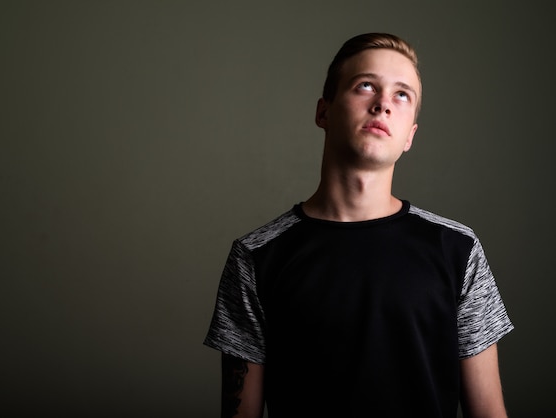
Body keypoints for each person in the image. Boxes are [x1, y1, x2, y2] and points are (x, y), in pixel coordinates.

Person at [204, 33, 513, 418]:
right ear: (323, 112)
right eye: (365, 85)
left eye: (403, 95)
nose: (383, 104)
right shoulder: (256, 257)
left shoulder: (458, 249)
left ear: (409, 137)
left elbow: (489, 412)